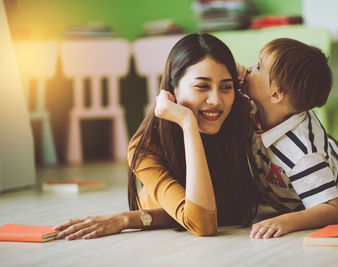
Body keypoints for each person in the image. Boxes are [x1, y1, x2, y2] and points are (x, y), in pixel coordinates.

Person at [54, 33, 258, 240]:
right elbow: (203, 224)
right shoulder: (143, 148)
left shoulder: (239, 114)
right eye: (202, 86)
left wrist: (250, 80)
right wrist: (187, 124)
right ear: (174, 89)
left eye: (226, 87)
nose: (216, 100)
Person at [236, 37, 338, 239]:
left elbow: (332, 209)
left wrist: (287, 221)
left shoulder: (302, 155)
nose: (250, 68)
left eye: (259, 67)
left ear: (277, 95)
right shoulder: (257, 109)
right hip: (315, 153)